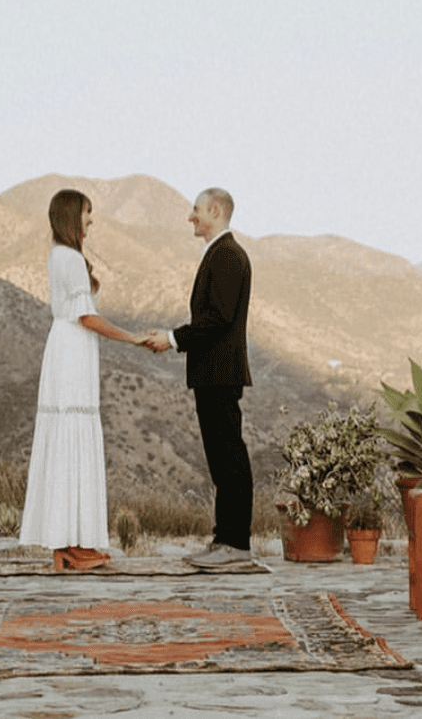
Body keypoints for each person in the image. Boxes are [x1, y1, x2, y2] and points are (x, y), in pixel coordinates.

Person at [19, 189, 147, 570]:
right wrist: (132, 337)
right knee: (73, 436)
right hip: (72, 349)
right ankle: (70, 544)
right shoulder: (70, 259)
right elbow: (86, 317)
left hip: (68, 348)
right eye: (88, 214)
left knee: (68, 439)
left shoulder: (60, 256)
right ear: (73, 217)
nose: (92, 221)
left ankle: (69, 542)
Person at [145, 188, 255, 569]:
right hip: (212, 373)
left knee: (229, 456)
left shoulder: (227, 255)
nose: (191, 216)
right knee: (221, 458)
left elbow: (218, 319)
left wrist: (173, 338)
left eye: (195, 209)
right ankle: (225, 537)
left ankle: (236, 543)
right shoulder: (221, 253)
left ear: (215, 210)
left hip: (220, 373)